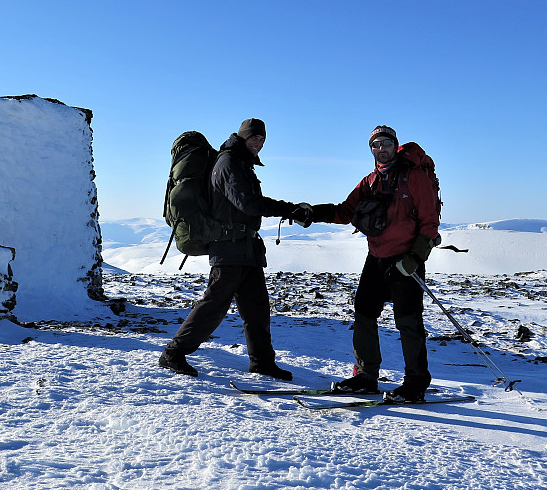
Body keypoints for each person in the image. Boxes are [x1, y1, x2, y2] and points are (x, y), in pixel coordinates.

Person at [158, 118, 312, 381]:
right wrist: (289, 209)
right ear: (242, 137)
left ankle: (262, 362)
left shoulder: (240, 163)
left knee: (257, 308)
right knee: (214, 304)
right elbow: (248, 204)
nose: (258, 142)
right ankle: (173, 353)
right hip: (229, 247)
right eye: (254, 137)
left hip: (246, 248)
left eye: (262, 138)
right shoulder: (228, 162)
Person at [309, 125, 441, 403]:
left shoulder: (415, 178)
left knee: (408, 322)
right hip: (376, 259)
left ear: (396, 145)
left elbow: (429, 222)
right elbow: (345, 211)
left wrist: (415, 258)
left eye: (386, 143)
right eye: (375, 145)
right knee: (364, 315)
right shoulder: (369, 181)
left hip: (406, 260)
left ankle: (415, 384)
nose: (381, 149)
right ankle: (366, 377)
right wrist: (311, 212)